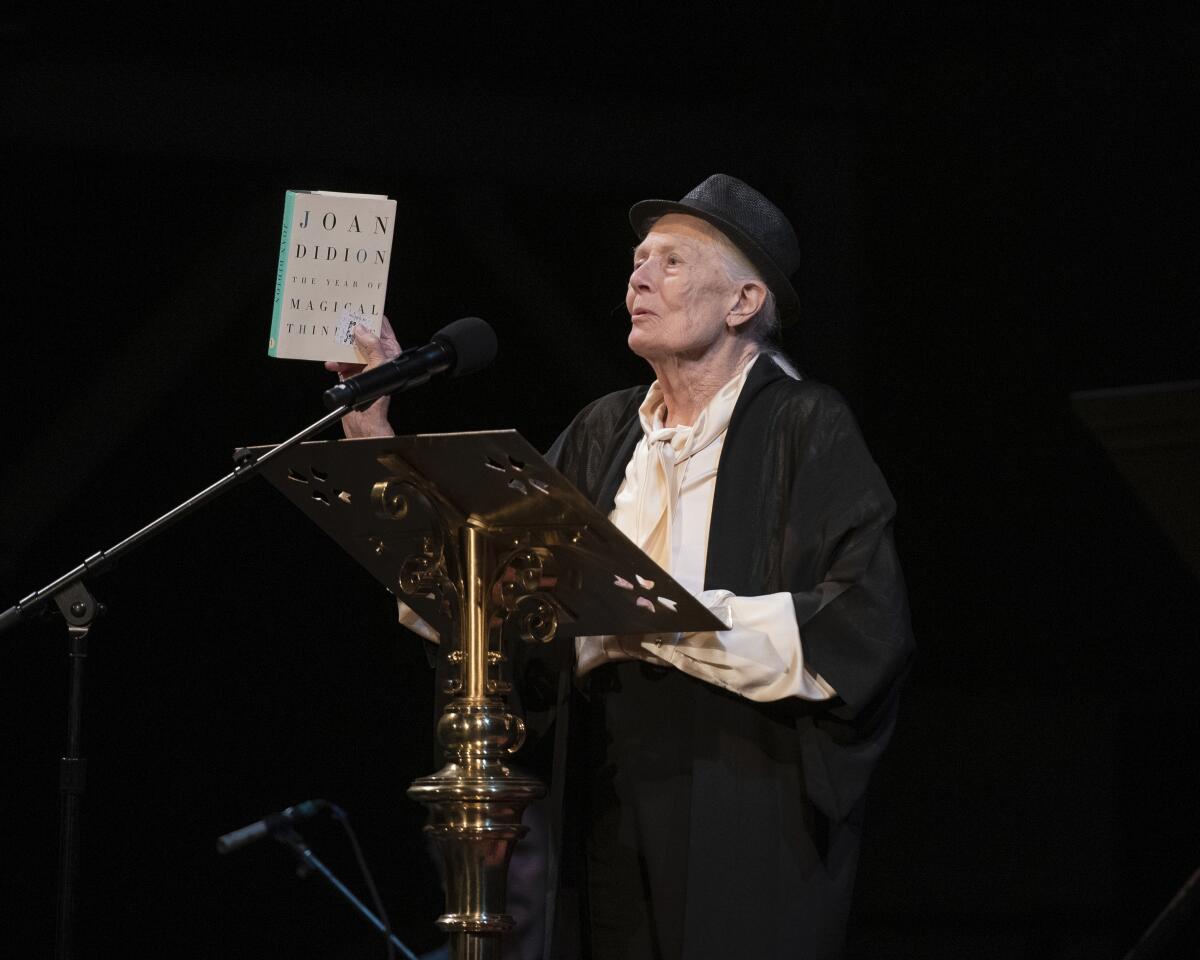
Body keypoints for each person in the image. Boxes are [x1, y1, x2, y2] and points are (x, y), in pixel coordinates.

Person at [329, 175, 913, 960]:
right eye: (638, 260)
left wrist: (650, 611)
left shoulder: (803, 424)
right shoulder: (605, 430)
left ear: (743, 303)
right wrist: (374, 434)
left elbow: (862, 624)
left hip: (740, 772)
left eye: (671, 262)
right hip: (604, 770)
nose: (638, 277)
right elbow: (489, 580)